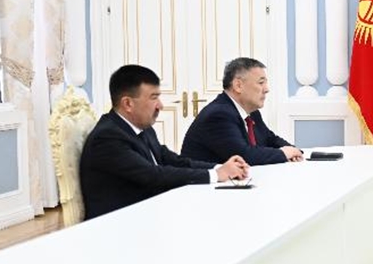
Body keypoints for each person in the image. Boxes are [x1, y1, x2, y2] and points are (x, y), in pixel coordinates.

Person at [80, 65, 249, 220]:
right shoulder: (107, 137)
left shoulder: (142, 128)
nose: (160, 106)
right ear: (128, 103)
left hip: (149, 211)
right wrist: (216, 175)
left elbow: (173, 160)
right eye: (154, 98)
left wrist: (218, 168)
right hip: (121, 224)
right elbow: (152, 175)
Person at [181, 57, 304, 165]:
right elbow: (244, 156)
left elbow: (270, 139)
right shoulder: (218, 115)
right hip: (202, 188)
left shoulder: (251, 111)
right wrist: (283, 153)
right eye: (261, 83)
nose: (266, 89)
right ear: (238, 85)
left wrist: (293, 150)